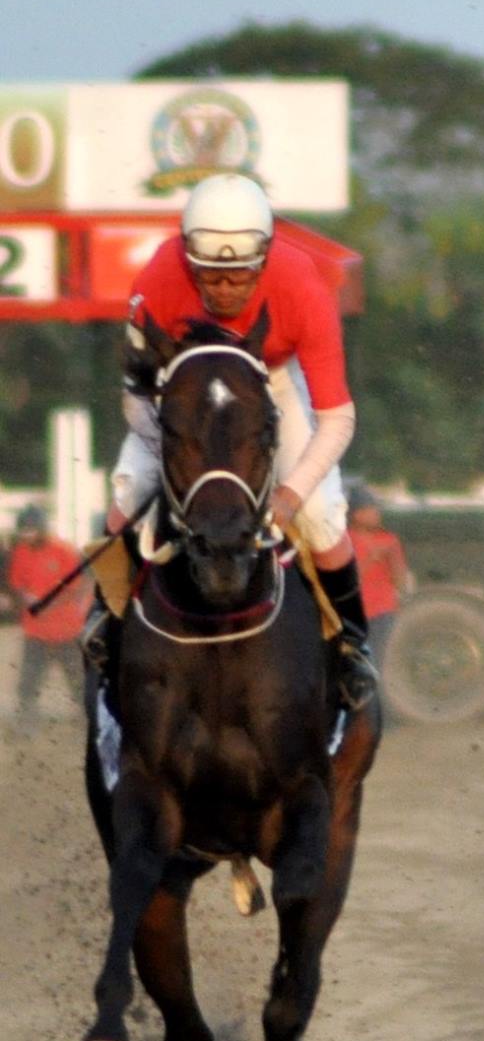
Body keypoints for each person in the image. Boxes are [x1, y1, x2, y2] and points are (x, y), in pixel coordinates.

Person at [88, 173, 378, 709]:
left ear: (263, 258)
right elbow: (135, 399)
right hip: (182, 391)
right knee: (128, 497)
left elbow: (337, 418)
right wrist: (177, 456)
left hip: (270, 382)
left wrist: (289, 495)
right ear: (188, 259)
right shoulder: (156, 280)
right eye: (210, 275)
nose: (224, 289)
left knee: (320, 516)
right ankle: (104, 624)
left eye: (239, 275)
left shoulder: (304, 286)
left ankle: (353, 647)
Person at [5, 506, 88, 727]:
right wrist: (25, 598)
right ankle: (27, 723)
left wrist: (50, 604)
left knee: (78, 680)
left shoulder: (63, 550)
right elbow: (16, 583)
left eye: (30, 530)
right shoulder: (21, 551)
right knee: (28, 682)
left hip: (67, 630)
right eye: (23, 531)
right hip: (35, 631)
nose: (26, 535)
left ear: (42, 528)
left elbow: (76, 587)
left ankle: (89, 721)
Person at [346, 483, 412, 671]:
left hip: (383, 612)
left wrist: (395, 562)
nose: (377, 514)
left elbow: (400, 582)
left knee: (378, 663)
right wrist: (372, 557)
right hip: (354, 612)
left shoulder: (388, 539)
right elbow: (347, 578)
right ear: (357, 514)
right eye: (371, 510)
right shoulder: (345, 540)